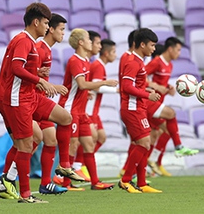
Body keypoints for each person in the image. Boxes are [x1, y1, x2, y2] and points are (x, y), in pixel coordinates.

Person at [0, 3, 75, 203]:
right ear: (36, 22)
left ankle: (63, 165)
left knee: (62, 119)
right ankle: (23, 193)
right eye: (47, 23)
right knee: (25, 144)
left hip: (29, 96)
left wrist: (36, 75)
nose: (48, 28)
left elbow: (18, 69)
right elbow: (15, 68)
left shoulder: (29, 42)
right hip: (17, 98)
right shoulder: (24, 41)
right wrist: (40, 80)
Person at [57, 29, 118, 191]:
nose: (92, 43)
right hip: (70, 109)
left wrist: (86, 93)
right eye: (90, 40)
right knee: (73, 144)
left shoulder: (85, 61)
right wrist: (104, 83)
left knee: (89, 144)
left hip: (81, 110)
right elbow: (82, 84)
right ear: (81, 43)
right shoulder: (75, 60)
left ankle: (95, 182)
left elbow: (81, 86)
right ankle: (65, 182)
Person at [146, 37, 199, 177]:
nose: (179, 53)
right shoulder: (157, 61)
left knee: (161, 133)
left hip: (157, 104)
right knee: (171, 115)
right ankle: (177, 147)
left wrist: (167, 88)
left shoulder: (169, 65)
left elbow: (159, 82)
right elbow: (140, 76)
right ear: (170, 49)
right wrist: (156, 86)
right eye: (178, 49)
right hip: (149, 103)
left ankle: (151, 163)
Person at [118, 28, 162, 194]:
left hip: (138, 107)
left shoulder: (138, 61)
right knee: (144, 143)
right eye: (151, 45)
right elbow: (127, 86)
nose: (153, 49)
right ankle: (125, 180)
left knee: (144, 143)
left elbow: (135, 84)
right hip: (132, 108)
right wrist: (146, 94)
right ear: (142, 44)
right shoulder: (132, 62)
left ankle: (142, 183)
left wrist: (147, 90)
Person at [35, 13, 69, 195]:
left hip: (42, 98)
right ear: (51, 29)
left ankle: (45, 183)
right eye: (61, 29)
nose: (64, 33)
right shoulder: (40, 48)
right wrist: (53, 86)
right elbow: (28, 77)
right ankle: (65, 165)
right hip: (33, 101)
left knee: (51, 140)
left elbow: (37, 75)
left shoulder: (47, 49)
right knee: (27, 144)